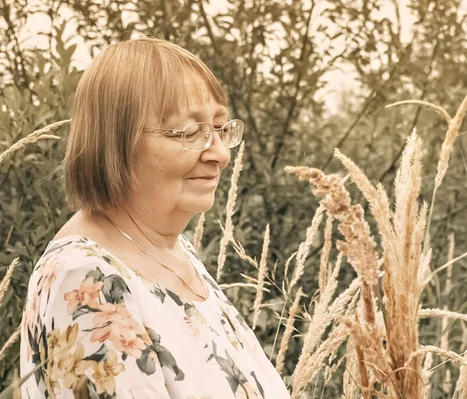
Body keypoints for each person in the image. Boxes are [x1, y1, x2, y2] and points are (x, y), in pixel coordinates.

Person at [20, 37, 290, 399]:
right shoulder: (88, 283)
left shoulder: (171, 252)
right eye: (191, 132)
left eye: (222, 128)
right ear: (117, 142)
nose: (221, 154)